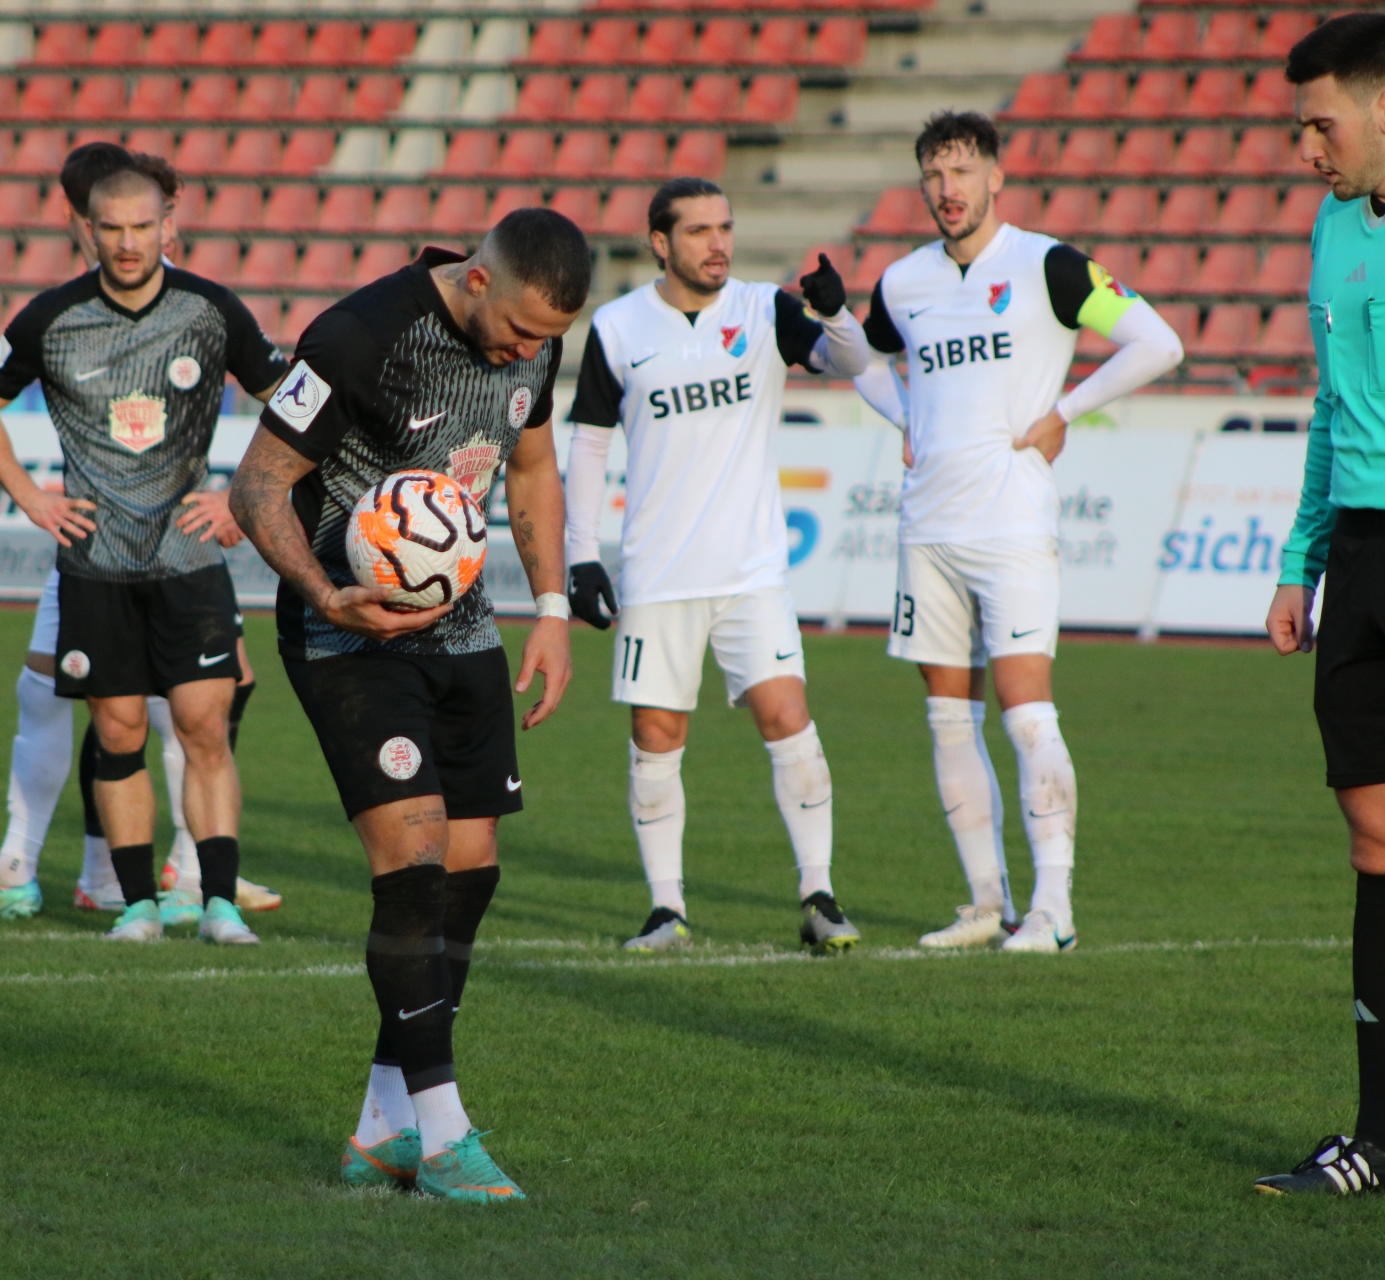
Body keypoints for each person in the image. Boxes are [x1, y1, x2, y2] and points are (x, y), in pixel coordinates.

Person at [230, 209, 589, 1201]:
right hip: (350, 635)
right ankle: (444, 1135)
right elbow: (257, 485)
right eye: (519, 331)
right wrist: (324, 592)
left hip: (464, 630)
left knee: (471, 867)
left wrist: (552, 610)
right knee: (415, 860)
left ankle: (382, 1125)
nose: (528, 352)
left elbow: (532, 468)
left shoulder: (536, 342)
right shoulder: (358, 338)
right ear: (476, 280)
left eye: (547, 340)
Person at [0, 143, 279, 925]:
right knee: (93, 716)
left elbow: (294, 406)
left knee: (198, 716)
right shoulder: (54, 316)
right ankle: (95, 884)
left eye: (144, 225)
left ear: (167, 223)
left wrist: (244, 500)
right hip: (92, 561)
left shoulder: (208, 309)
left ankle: (200, 883)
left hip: (184, 558)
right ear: (86, 225)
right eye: (111, 226)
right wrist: (30, 497)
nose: (128, 240)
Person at [851, 111, 1182, 952]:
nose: (948, 189)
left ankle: (1053, 910)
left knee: (1028, 715)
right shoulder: (903, 282)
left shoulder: (1049, 265)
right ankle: (985, 905)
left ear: (996, 177)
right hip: (926, 527)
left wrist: (1066, 410)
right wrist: (906, 415)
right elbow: (862, 359)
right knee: (947, 719)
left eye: (963, 172)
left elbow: (1159, 343)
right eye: (934, 174)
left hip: (1011, 526)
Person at [564, 177, 870, 954]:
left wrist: (836, 313)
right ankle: (666, 910)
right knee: (656, 734)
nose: (717, 243)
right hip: (658, 573)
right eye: (699, 231)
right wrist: (581, 555)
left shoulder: (765, 309)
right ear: (659, 242)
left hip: (751, 570)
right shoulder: (619, 326)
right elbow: (590, 444)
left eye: (725, 227)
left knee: (788, 717)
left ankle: (820, 896)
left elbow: (852, 362)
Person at [1258, 13, 1385, 1196]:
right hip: (1359, 551)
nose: (1307, 148)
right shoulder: (1333, 224)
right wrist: (1302, 560)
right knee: (1373, 834)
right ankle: (1377, 1137)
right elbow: (1331, 408)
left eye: (1321, 123)